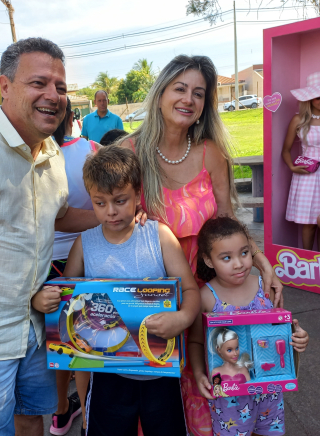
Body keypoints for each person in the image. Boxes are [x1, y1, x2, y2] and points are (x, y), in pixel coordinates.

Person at [119, 54, 284, 436]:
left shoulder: (211, 152)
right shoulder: (129, 152)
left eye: (198, 93)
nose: (188, 99)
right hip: (154, 297)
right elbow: (108, 218)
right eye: (180, 88)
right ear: (161, 92)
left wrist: (262, 264)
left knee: (209, 394)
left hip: (209, 292)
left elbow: (228, 224)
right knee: (155, 401)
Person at [0, 37, 98, 436]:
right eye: (39, 83)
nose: (53, 95)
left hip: (35, 328)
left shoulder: (49, 152)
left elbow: (59, 215)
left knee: (32, 419)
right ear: (5, 86)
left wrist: (115, 214)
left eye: (61, 87)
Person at [32, 145, 201, 436]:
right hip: (108, 374)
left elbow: (189, 288)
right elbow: (65, 299)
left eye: (120, 201)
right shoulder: (84, 244)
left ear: (137, 194)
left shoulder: (158, 236)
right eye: (99, 203)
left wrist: (183, 318)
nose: (110, 211)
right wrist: (43, 298)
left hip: (160, 372)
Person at [188, 216, 309, 436]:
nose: (239, 263)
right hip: (229, 397)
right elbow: (195, 340)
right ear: (208, 260)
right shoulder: (206, 297)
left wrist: (298, 336)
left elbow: (282, 328)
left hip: (269, 393)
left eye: (244, 253)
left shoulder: (265, 287)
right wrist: (198, 373)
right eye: (226, 257)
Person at [48, 99, 100, 435]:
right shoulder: (93, 150)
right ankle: (87, 411)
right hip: (90, 253)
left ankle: (60, 412)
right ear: (73, 117)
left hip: (46, 260)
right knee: (83, 341)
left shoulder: (32, 155)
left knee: (56, 341)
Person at [282, 72, 320, 250]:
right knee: (309, 223)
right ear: (309, 99)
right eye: (317, 97)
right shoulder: (298, 119)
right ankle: (308, 261)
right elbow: (286, 150)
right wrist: (292, 167)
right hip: (308, 175)